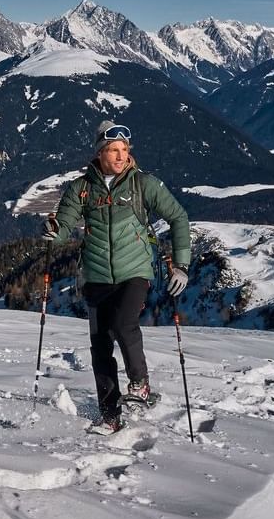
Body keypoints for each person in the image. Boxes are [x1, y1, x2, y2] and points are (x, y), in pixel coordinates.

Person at [43, 119, 190, 434]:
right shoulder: (82, 189)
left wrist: (181, 264)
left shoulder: (143, 184)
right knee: (100, 347)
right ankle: (109, 416)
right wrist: (53, 233)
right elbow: (64, 226)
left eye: (124, 149)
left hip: (134, 271)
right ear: (99, 152)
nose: (121, 156)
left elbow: (178, 217)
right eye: (113, 149)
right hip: (96, 277)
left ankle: (140, 383)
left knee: (124, 324)